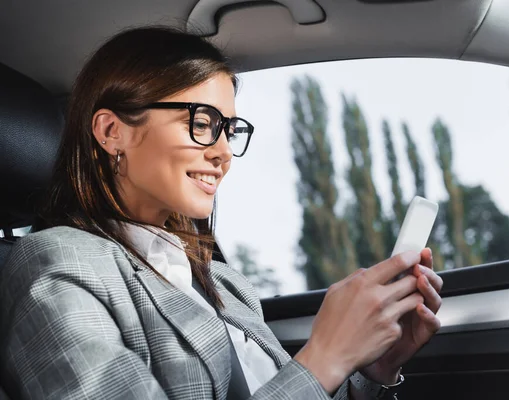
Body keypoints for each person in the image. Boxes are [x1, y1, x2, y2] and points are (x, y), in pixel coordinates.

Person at [0, 26, 443, 400]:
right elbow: (304, 381)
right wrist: (323, 358)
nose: (223, 153)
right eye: (202, 122)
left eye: (229, 130)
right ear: (112, 131)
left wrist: (372, 367)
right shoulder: (56, 264)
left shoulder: (226, 283)